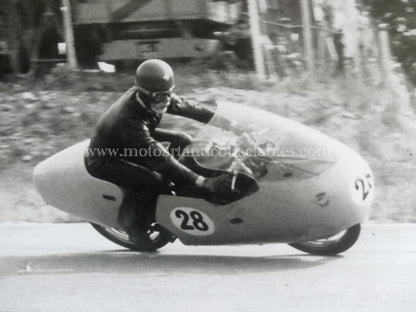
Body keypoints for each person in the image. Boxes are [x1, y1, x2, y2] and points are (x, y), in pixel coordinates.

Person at [86, 59, 242, 240]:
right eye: (160, 96)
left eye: (169, 94)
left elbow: (193, 109)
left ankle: (177, 187)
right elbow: (159, 158)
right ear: (142, 92)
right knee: (155, 180)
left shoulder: (156, 95)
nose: (166, 101)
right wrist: (202, 182)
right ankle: (137, 231)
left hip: (131, 141)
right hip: (107, 158)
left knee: (184, 139)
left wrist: (233, 125)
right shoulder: (128, 120)